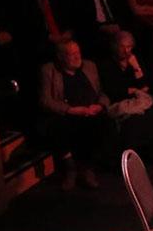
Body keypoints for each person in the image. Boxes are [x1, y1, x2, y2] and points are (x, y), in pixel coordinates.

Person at [38, 39, 112, 190]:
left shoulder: (89, 66)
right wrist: (71, 110)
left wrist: (99, 105)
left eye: (78, 52)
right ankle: (70, 167)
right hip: (66, 113)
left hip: (91, 111)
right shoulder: (49, 70)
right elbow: (45, 100)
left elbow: (101, 93)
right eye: (71, 54)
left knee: (103, 124)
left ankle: (87, 168)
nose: (77, 57)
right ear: (60, 57)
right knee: (58, 127)